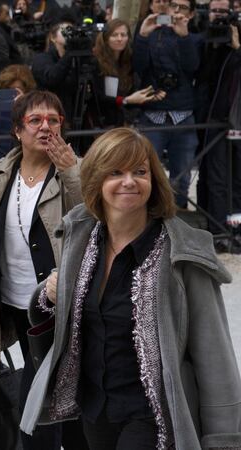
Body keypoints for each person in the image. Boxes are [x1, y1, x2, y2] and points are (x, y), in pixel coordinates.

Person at [21, 127, 241, 449]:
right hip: (96, 412)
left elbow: (214, 355)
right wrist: (49, 295)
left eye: (140, 172)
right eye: (116, 172)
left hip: (153, 417)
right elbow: (51, 313)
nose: (129, 181)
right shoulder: (82, 237)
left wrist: (225, 440)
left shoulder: (181, 253)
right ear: (96, 180)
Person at [0, 90, 87, 449]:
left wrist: (72, 171)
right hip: (17, 302)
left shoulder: (73, 170)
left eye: (54, 120)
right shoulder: (0, 173)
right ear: (18, 130)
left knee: (42, 397)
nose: (46, 128)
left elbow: (99, 217)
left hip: (62, 303)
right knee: (52, 389)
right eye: (35, 121)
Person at [133, 0, 201, 207]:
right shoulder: (149, 32)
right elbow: (138, 67)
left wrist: (184, 37)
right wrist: (143, 36)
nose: (176, 11)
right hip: (153, 114)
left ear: (192, 13)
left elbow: (193, 68)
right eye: (173, 6)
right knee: (145, 172)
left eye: (182, 8)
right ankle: (148, 219)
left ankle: (179, 218)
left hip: (184, 114)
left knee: (181, 176)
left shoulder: (194, 37)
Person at [195, 0, 241, 245]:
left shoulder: (236, 38)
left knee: (237, 178)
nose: (220, 16)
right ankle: (219, 230)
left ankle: (236, 227)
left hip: (236, 119)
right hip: (214, 118)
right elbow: (201, 74)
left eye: (224, 11)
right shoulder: (202, 39)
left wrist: (236, 47)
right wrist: (212, 44)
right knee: (217, 177)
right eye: (216, 11)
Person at [92, 19, 166, 127]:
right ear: (105, 38)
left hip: (124, 120)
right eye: (114, 35)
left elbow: (132, 93)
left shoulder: (129, 60)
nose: (119, 39)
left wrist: (149, 95)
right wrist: (126, 100)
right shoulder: (96, 61)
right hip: (102, 121)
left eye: (123, 35)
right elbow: (98, 97)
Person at [32, 19, 78, 125]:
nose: (70, 35)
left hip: (74, 113)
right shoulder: (41, 59)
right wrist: (69, 53)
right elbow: (51, 78)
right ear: (53, 38)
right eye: (66, 31)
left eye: (73, 32)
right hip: (51, 115)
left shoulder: (77, 59)